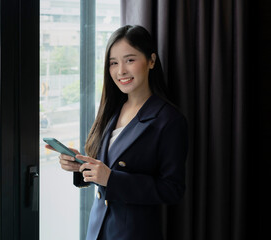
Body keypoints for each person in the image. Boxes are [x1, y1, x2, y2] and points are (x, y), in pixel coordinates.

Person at [46, 25, 188, 240]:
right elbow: (107, 171)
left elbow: (172, 189)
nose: (120, 70)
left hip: (133, 233)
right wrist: (81, 165)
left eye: (130, 60)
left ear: (151, 61)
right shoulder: (113, 109)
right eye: (113, 63)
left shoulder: (168, 119)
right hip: (97, 229)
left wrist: (112, 179)